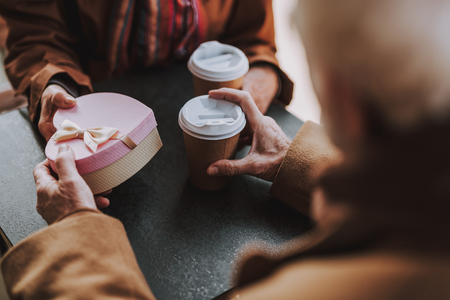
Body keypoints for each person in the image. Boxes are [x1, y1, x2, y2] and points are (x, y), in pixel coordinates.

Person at [3, 0, 450, 299]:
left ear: (343, 96)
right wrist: (302, 164)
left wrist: (76, 231)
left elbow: (256, 43)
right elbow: (33, 30)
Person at [0, 0, 293, 141]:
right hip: (95, 118)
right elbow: (35, 30)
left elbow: (254, 39)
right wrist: (55, 82)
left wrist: (262, 72)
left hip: (198, 124)